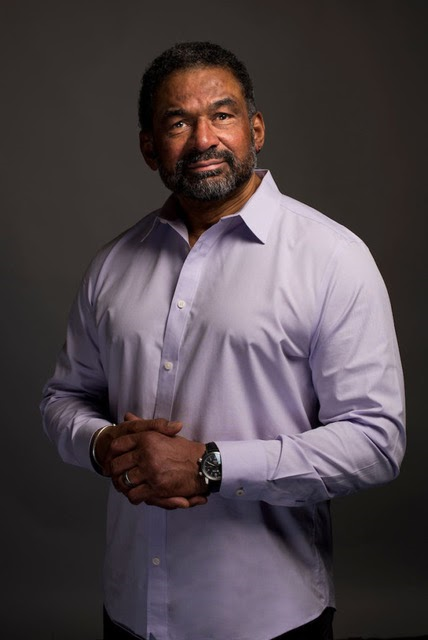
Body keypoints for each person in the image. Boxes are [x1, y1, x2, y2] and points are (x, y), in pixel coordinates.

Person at [41, 41, 405, 640]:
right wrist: (102, 442)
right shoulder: (112, 264)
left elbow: (377, 442)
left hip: (268, 619)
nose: (203, 138)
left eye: (223, 114)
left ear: (255, 128)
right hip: (131, 612)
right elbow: (62, 400)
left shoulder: (333, 259)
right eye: (178, 121)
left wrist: (211, 466)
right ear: (148, 146)